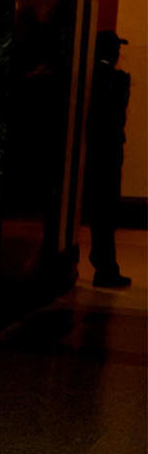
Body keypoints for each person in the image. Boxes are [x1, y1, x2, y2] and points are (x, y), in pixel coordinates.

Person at [84, 29, 131, 289]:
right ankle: (106, 266)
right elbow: (115, 116)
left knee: (100, 211)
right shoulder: (113, 80)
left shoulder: (89, 77)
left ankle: (104, 263)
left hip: (95, 154)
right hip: (108, 155)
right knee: (106, 211)